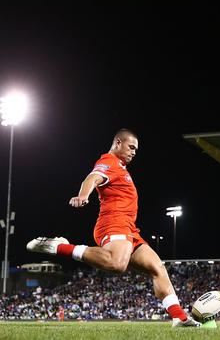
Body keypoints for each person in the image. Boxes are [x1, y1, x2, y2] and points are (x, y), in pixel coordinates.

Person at [27, 129, 200, 327]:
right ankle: (60, 247)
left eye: (136, 149)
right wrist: (83, 195)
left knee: (157, 268)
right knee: (117, 264)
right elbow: (91, 178)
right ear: (118, 142)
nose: (134, 152)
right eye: (131, 147)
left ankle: (179, 317)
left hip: (129, 228)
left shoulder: (121, 167)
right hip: (113, 222)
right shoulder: (109, 161)